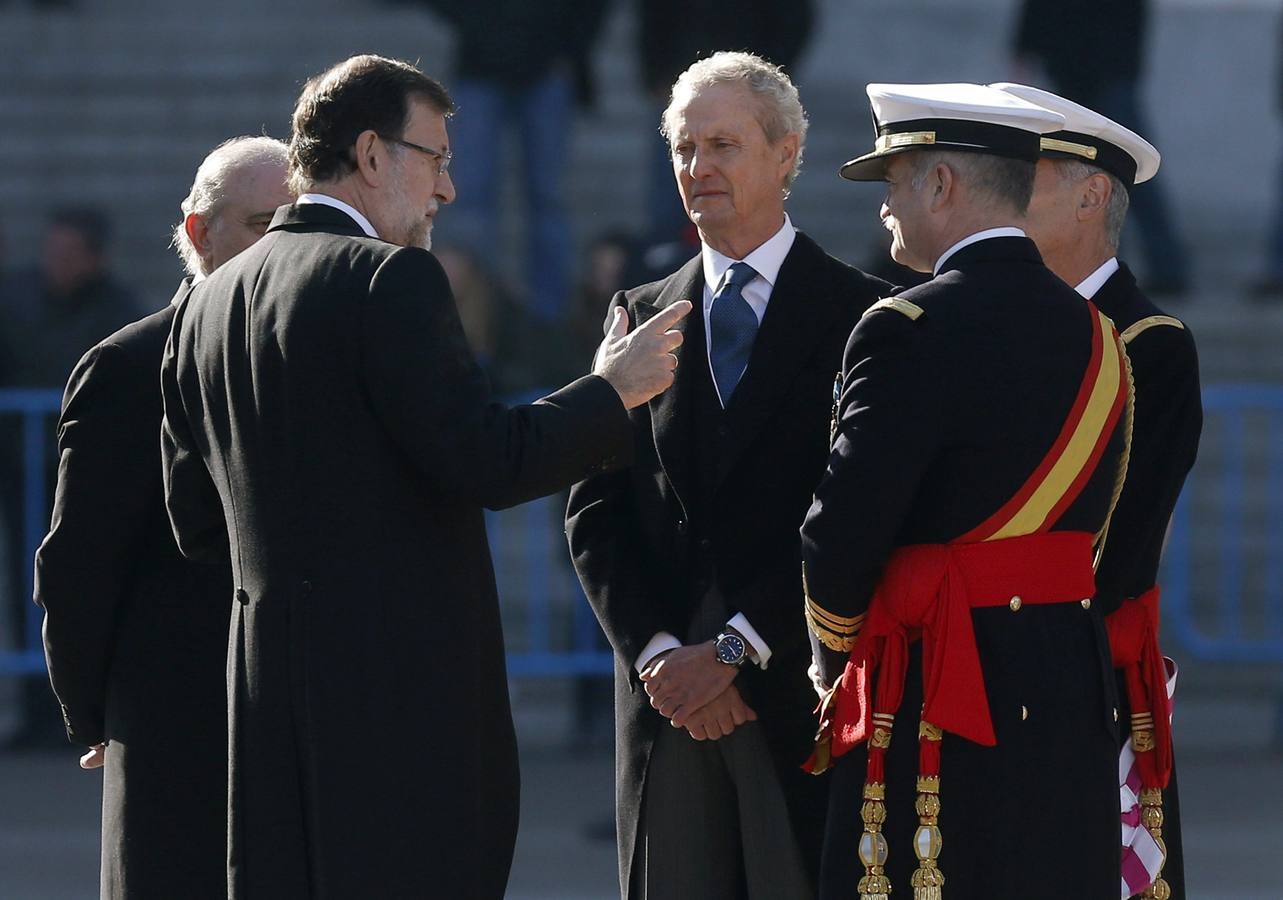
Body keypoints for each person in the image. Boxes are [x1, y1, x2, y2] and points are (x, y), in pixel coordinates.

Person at [159, 54, 689, 900]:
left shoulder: (208, 302)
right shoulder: (387, 277)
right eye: (437, 159)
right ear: (372, 156)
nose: (446, 190)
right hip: (396, 706)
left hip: (262, 702)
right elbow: (486, 458)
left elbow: (195, 522)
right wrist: (610, 392)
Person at [566, 52, 890, 899]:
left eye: (722, 144)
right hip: (666, 704)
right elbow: (593, 511)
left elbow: (855, 511)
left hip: (791, 696)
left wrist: (737, 649)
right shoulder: (638, 314)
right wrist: (661, 656)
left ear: (785, 154)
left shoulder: (861, 316)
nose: (697, 168)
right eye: (682, 148)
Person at [802, 83, 1129, 899]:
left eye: (893, 183)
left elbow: (839, 528)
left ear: (941, 185)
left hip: (935, 680)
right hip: (1064, 678)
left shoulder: (905, 325)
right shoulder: (1102, 335)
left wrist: (832, 655)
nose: (884, 209)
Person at [31, 136, 292, 899]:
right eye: (258, 225)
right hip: (176, 720)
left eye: (294, 227)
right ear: (198, 232)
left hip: (304, 722)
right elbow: (77, 562)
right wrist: (92, 712)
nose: (277, 249)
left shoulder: (325, 357)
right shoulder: (129, 364)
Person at [997, 81, 1201, 900]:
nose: (1005, 191)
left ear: (1091, 197)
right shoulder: (993, 320)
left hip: (1082, 674)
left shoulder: (1147, 342)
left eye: (1029, 173)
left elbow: (1118, 548)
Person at [405, 0, 610, 323]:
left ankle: (546, 323)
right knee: (474, 197)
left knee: (540, 200)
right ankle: (476, 320)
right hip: (486, 60)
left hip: (544, 59)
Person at [1012, 0, 1190, 295]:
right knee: (1098, 174)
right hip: (1079, 67)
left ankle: (1154, 265)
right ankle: (1121, 267)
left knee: (1127, 171)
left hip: (1103, 69)